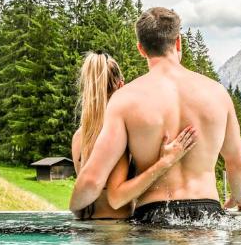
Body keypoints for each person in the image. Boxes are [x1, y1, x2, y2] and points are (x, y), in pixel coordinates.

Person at [69, 7, 241, 224]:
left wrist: (74, 207)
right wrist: (238, 197)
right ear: (178, 42)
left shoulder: (125, 99)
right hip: (209, 216)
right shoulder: (218, 93)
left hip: (154, 216)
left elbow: (92, 181)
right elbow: (237, 163)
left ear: (141, 49)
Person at [72, 51, 197, 220]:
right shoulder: (119, 135)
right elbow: (117, 198)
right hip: (117, 228)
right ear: (121, 86)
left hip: (85, 227)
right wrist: (164, 162)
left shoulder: (79, 136)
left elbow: (86, 191)